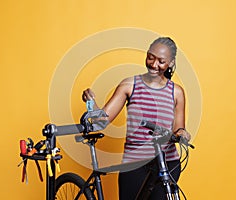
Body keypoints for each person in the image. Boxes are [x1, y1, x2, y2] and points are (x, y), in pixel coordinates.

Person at [82, 37, 191, 200]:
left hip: (167, 162)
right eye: (150, 57)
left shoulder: (176, 92)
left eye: (161, 61)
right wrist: (91, 103)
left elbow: (179, 128)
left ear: (171, 63)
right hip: (134, 163)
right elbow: (102, 121)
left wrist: (183, 134)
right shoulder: (129, 85)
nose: (154, 65)